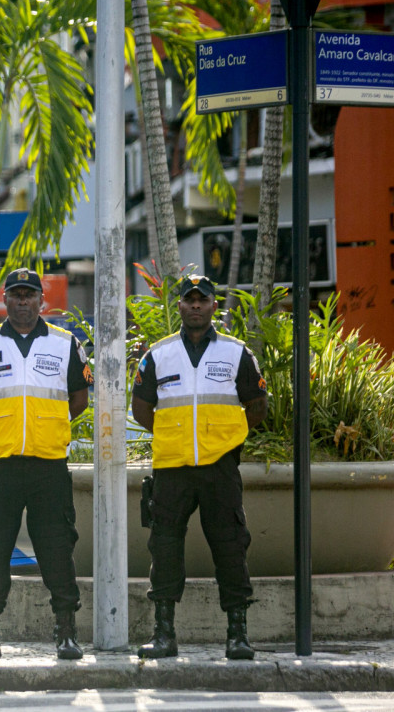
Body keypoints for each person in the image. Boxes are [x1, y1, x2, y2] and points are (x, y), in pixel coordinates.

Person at [130, 273, 268, 661]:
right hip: (172, 467)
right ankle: (163, 635)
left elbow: (257, 405)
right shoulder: (158, 355)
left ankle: (237, 636)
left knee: (230, 545)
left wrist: (224, 436)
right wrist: (176, 434)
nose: (195, 305)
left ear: (213, 305)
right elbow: (141, 409)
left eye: (202, 300)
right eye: (189, 299)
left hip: (219, 467)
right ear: (178, 305)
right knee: (165, 546)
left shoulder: (236, 352)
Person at [0, 267, 91, 661]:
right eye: (14, 294)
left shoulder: (66, 344)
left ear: (41, 301)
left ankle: (66, 630)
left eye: (29, 294)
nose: (21, 301)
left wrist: (46, 428)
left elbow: (79, 398)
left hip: (48, 465)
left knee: (56, 547)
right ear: (5, 300)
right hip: (1, 465)